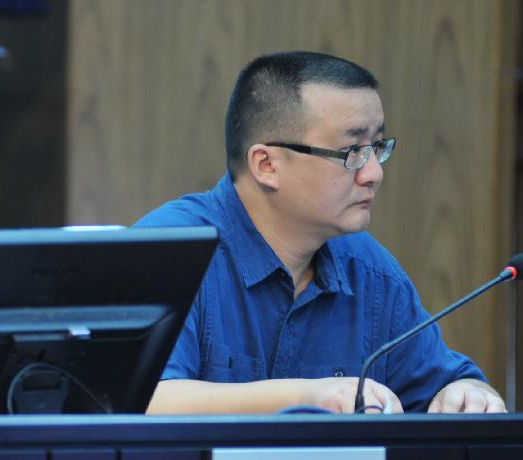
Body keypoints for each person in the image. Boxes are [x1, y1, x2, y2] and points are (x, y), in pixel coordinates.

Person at [134, 51, 505, 415]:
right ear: (266, 165)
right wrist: (309, 397)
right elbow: (141, 401)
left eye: (377, 147)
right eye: (351, 151)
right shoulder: (167, 250)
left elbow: (445, 380)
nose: (374, 173)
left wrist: (467, 392)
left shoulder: (368, 269)